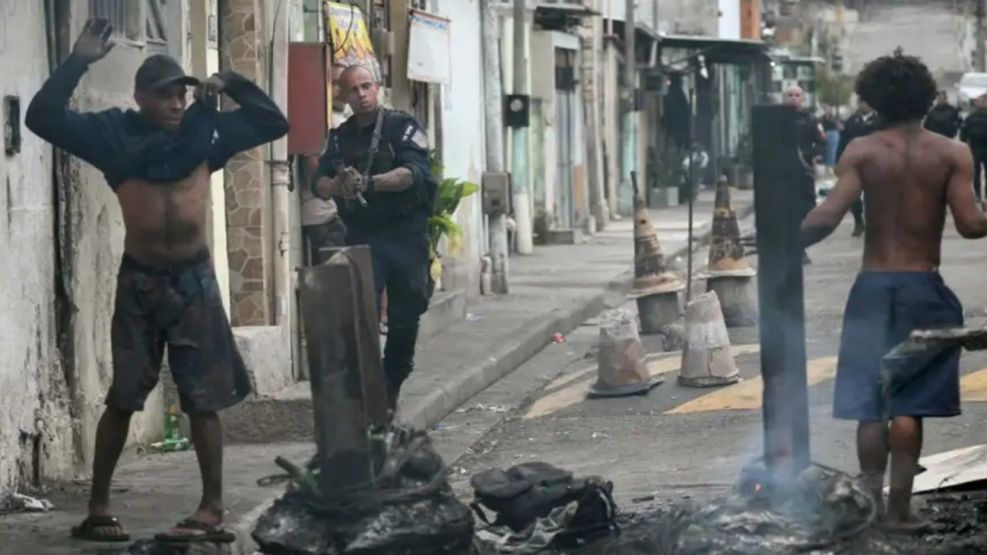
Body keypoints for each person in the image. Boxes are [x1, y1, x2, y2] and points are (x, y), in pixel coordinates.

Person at [25, 20, 288, 542]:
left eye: (182, 94)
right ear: (140, 96)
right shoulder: (112, 135)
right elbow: (42, 117)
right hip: (141, 283)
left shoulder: (205, 131)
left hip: (194, 282)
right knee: (124, 396)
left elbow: (273, 123)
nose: (175, 103)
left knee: (203, 399)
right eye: (165, 95)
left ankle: (212, 508)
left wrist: (232, 81)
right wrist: (78, 61)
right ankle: (99, 507)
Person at [800, 52, 987, 532]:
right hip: (924, 290)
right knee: (910, 404)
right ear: (927, 99)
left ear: (874, 100)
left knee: (870, 405)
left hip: (872, 289)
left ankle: (868, 508)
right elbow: (970, 225)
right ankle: (900, 510)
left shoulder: (861, 151)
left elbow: (827, 217)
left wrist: (783, 240)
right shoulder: (952, 154)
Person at [311, 65, 432, 410]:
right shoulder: (340, 137)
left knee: (406, 316)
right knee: (360, 315)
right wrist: (336, 186)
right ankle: (367, 391)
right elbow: (317, 182)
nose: (361, 94)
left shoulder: (402, 127)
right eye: (353, 89)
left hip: (406, 236)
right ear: (344, 96)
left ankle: (392, 380)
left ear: (377, 88)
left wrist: (371, 183)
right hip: (364, 237)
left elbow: (413, 173)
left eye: (366, 86)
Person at [783, 85, 826, 264]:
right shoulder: (777, 120)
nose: (793, 98)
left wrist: (815, 155)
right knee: (784, 210)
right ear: (784, 98)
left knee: (805, 209)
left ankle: (800, 246)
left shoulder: (810, 120)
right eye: (790, 95)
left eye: (797, 95)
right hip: (783, 173)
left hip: (804, 172)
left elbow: (821, 142)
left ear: (803, 98)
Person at [837, 99, 881, 237]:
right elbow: (842, 141)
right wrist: (838, 161)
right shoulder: (851, 121)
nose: (864, 105)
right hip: (854, 162)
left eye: (867, 102)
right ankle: (858, 221)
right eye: (862, 102)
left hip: (875, 162)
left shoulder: (880, 121)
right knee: (853, 194)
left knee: (874, 195)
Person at [961, 95, 987, 203]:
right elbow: (964, 132)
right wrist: (964, 146)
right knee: (976, 172)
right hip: (975, 147)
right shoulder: (971, 117)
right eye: (979, 101)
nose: (981, 103)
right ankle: (977, 194)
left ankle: (985, 196)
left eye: (983, 101)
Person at [821, 104, 842, 175]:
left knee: (832, 151)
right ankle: (827, 169)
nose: (827, 110)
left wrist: (836, 125)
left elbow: (840, 126)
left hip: (833, 134)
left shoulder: (834, 117)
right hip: (825, 134)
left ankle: (832, 168)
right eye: (826, 109)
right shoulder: (822, 118)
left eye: (828, 109)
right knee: (826, 151)